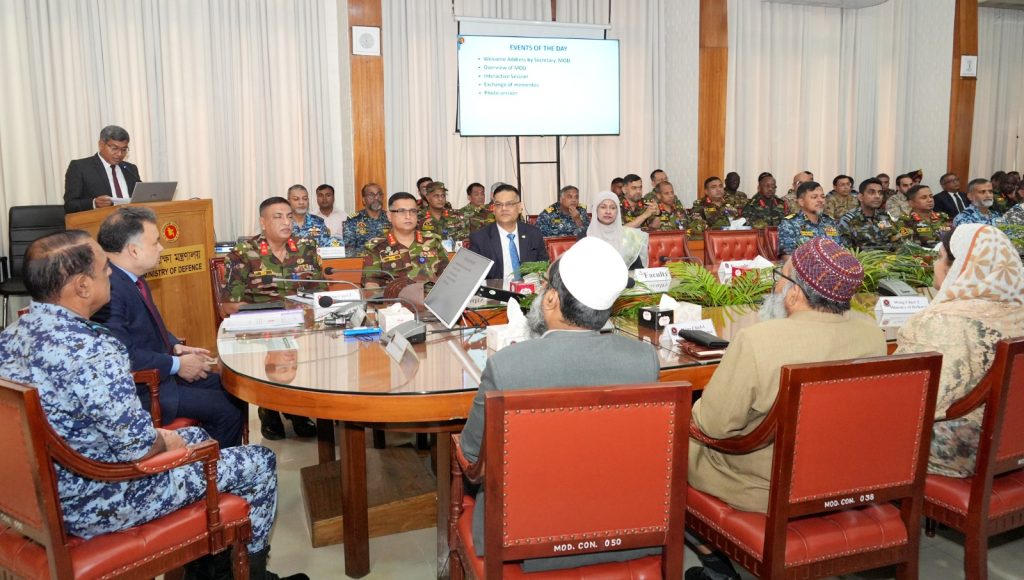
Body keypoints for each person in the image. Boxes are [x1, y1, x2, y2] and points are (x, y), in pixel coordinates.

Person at [0, 230, 305, 580]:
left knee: (199, 438)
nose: (111, 273)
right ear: (82, 286)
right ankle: (248, 575)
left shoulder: (9, 338)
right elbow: (139, 447)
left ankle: (209, 568)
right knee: (260, 462)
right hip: (103, 499)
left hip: (43, 492)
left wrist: (171, 439)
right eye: (104, 268)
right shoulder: (92, 350)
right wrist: (166, 440)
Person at [685, 238, 886, 580]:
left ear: (795, 294)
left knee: (667, 450)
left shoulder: (759, 340)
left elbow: (713, 426)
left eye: (781, 277)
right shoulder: (872, 335)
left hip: (764, 486)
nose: (776, 285)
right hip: (844, 476)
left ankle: (714, 565)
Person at [460, 237, 660, 572]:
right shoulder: (643, 358)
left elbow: (471, 455)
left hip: (522, 536)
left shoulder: (508, 365)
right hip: (622, 529)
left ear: (551, 299)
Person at [92, 207, 243, 449]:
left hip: (161, 375)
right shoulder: (108, 288)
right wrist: (177, 365)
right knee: (228, 410)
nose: (161, 248)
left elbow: (150, 327)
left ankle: (210, 454)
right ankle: (212, 467)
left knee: (235, 389)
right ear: (133, 250)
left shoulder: (131, 277)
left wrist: (174, 346)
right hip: (143, 389)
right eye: (155, 242)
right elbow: (123, 356)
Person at [895, 225, 1024, 477]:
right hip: (1012, 439)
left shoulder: (941, 322)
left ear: (959, 266)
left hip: (965, 451)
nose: (935, 265)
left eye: (939, 257)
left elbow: (906, 402)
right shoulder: (1017, 314)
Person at [221, 196, 324, 441]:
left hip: (301, 325)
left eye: (289, 216)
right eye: (278, 217)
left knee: (314, 350)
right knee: (276, 348)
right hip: (260, 328)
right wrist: (273, 318)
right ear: (263, 222)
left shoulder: (306, 247)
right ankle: (269, 409)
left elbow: (321, 292)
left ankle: (297, 408)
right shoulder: (244, 253)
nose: (286, 222)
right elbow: (229, 305)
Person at [362, 192, 451, 287]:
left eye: (413, 211)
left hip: (430, 295)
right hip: (395, 296)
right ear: (389, 215)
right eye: (401, 211)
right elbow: (371, 284)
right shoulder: (376, 247)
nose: (408, 216)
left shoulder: (432, 240)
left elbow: (447, 276)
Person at [468, 184, 548, 281]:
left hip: (528, 287)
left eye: (509, 204)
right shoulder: (480, 238)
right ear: (493, 209)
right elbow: (474, 277)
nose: (504, 208)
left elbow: (544, 267)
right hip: (496, 289)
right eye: (498, 204)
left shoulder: (533, 234)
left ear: (519, 207)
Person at [64, 125, 142, 213]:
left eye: (124, 149)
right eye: (114, 148)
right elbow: (69, 205)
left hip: (132, 219)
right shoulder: (80, 167)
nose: (119, 154)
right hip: (99, 220)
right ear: (101, 145)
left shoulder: (130, 169)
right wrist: (94, 203)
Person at [777, 181, 842, 257]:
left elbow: (840, 250)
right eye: (814, 197)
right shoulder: (789, 224)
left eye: (823, 197)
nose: (820, 200)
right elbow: (787, 256)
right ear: (801, 202)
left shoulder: (830, 222)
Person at [585, 191, 648, 269]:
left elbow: (637, 269)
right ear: (595, 210)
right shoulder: (586, 235)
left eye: (613, 208)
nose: (608, 212)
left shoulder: (628, 236)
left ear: (617, 212)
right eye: (603, 207)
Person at [838, 177, 896, 251]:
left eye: (880, 193)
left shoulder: (884, 217)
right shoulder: (848, 220)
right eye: (872, 192)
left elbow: (894, 239)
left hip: (889, 257)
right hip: (861, 258)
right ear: (860, 197)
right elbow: (845, 250)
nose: (877, 196)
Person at [342, 183, 391, 257]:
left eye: (379, 194)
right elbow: (348, 250)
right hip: (363, 262)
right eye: (371, 195)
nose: (376, 198)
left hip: (389, 260)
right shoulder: (353, 220)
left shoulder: (391, 218)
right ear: (363, 200)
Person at [417, 181, 465, 246]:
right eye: (436, 196)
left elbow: (464, 239)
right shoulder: (419, 217)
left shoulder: (456, 216)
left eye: (443, 196)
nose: (440, 199)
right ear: (428, 198)